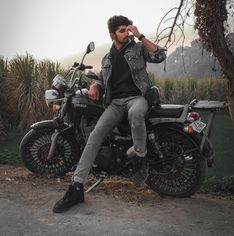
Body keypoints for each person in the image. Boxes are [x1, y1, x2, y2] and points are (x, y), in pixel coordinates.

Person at [53, 15, 166, 213]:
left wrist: (140, 36)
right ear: (112, 34)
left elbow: (159, 55)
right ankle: (77, 187)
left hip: (136, 98)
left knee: (137, 114)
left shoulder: (138, 48)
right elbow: (103, 80)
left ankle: (140, 156)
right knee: (94, 137)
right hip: (114, 104)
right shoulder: (107, 58)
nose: (126, 33)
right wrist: (96, 85)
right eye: (122, 31)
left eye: (128, 29)